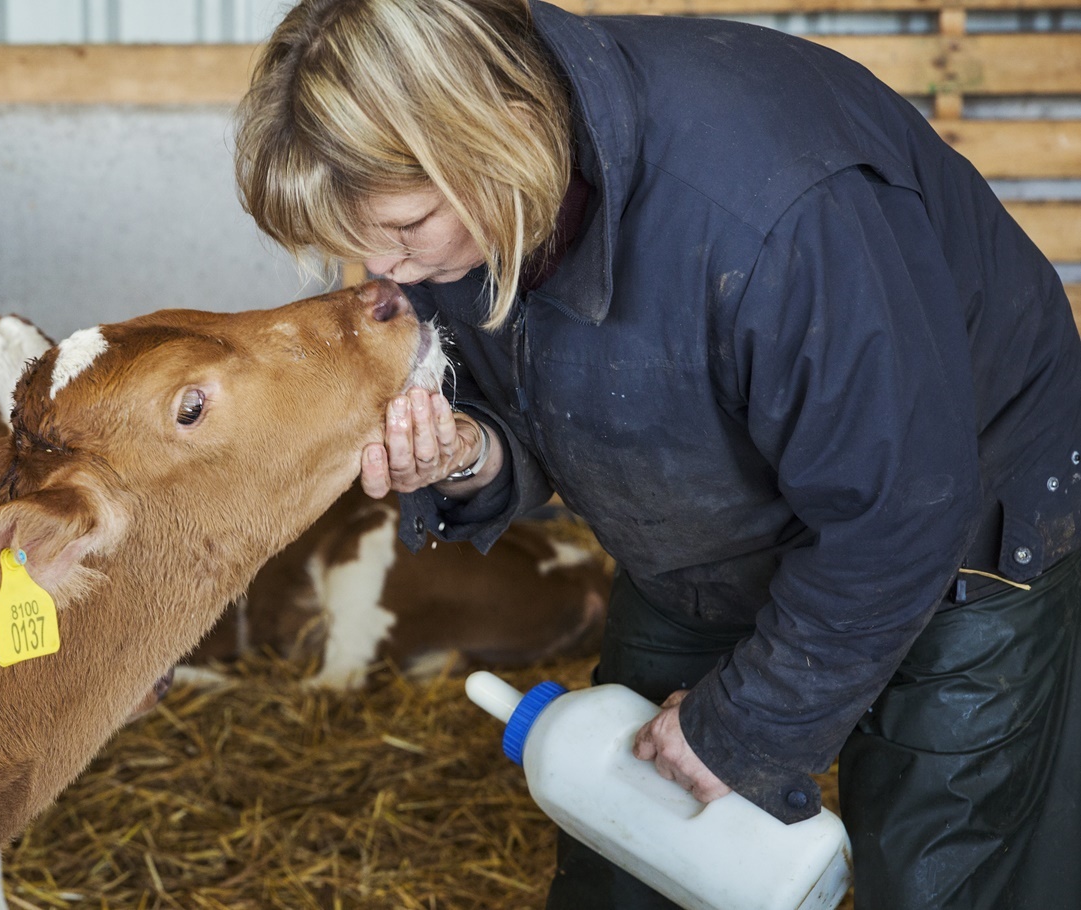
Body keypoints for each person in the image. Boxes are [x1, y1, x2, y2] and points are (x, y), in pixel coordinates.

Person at [232, 1, 1081, 908]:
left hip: (959, 517)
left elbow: (902, 504)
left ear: (497, 137)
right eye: (358, 242)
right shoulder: (464, 214)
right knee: (625, 836)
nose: (386, 271)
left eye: (403, 227)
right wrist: (467, 453)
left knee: (940, 861)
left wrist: (745, 727)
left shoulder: (772, 205)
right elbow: (528, 400)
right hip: (706, 527)